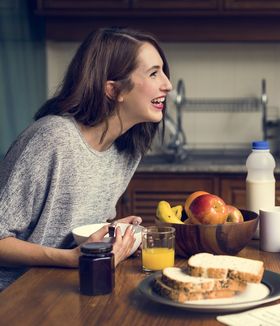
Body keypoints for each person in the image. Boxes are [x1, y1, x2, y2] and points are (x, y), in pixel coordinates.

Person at [0, 27, 172, 291]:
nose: (167, 84)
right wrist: (70, 259)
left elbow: (75, 229)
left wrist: (109, 231)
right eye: (153, 73)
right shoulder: (52, 138)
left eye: (162, 71)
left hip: (68, 286)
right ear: (114, 90)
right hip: (17, 295)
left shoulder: (128, 148)